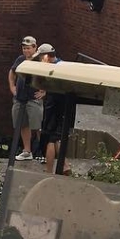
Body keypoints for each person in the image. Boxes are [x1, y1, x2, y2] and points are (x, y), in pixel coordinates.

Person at [33, 43, 68, 173]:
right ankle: (65, 165)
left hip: (54, 106)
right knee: (58, 136)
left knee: (50, 139)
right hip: (65, 106)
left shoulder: (52, 69)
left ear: (46, 56)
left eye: (41, 57)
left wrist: (47, 93)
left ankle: (49, 170)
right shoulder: (63, 65)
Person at [8, 36, 40, 161]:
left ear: (34, 47)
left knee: (37, 125)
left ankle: (41, 151)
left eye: (28, 48)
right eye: (24, 48)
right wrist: (12, 86)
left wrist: (44, 91)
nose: (26, 51)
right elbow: (12, 72)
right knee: (22, 124)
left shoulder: (39, 60)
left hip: (34, 98)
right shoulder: (20, 59)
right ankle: (27, 150)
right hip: (20, 98)